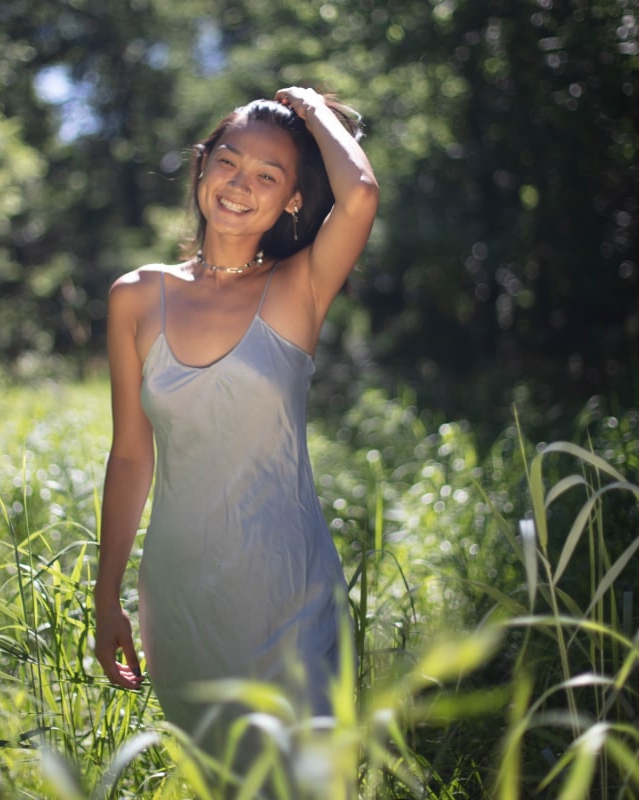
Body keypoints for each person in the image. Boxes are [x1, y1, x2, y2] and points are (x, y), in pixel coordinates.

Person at [94, 86, 379, 764]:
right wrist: (106, 596)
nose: (239, 185)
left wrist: (308, 108)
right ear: (202, 167)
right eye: (228, 161)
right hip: (183, 599)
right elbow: (132, 457)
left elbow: (361, 193)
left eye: (268, 176)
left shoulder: (299, 285)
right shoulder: (136, 296)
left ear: (294, 201)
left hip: (291, 593)